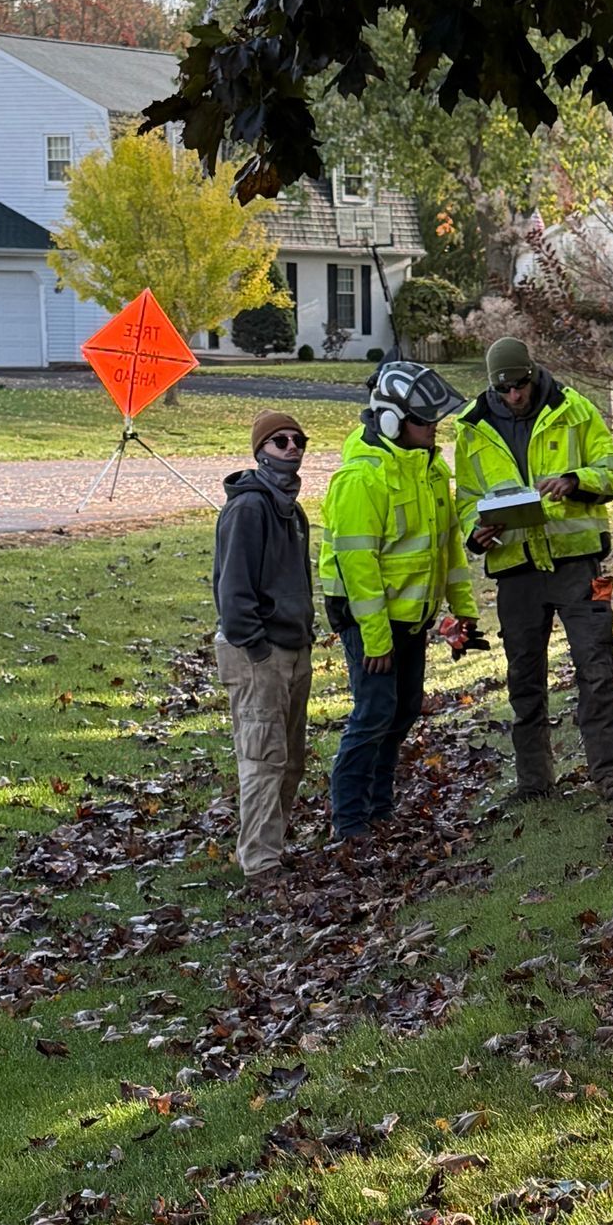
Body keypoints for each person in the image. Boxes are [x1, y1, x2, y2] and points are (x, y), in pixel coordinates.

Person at [455, 334, 613, 805]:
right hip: (516, 571)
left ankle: (610, 773)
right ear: (492, 386)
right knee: (524, 679)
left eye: (522, 385)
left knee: (596, 669)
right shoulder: (471, 428)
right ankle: (534, 783)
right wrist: (476, 531)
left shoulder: (575, 410)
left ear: (534, 374)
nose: (516, 395)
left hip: (578, 565)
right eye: (505, 389)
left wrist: (575, 481)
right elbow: (466, 501)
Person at [319, 360, 482, 846]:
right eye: (424, 420)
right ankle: (349, 821)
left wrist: (463, 610)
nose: (434, 429)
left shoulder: (429, 469)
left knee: (404, 709)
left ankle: (379, 808)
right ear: (390, 419)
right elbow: (358, 566)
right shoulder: (362, 478)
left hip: (413, 617)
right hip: (369, 621)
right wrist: (375, 638)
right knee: (373, 712)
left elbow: (448, 546)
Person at [213, 409, 314, 888]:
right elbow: (232, 592)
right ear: (260, 451)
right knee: (262, 758)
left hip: (294, 649)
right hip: (258, 653)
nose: (291, 448)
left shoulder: (292, 510)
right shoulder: (248, 508)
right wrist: (256, 648)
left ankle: (273, 848)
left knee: (290, 759)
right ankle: (260, 864)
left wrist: (304, 639)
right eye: (280, 442)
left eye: (297, 440)